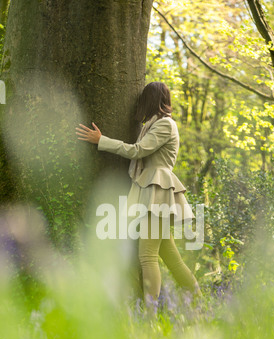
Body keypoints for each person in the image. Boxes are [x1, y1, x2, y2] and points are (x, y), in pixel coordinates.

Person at [76, 81, 201, 308]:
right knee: (172, 258)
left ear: (151, 101)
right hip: (150, 192)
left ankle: (150, 319)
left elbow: (138, 150)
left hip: (158, 192)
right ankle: (200, 304)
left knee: (147, 257)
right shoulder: (154, 125)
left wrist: (101, 141)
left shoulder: (164, 125)